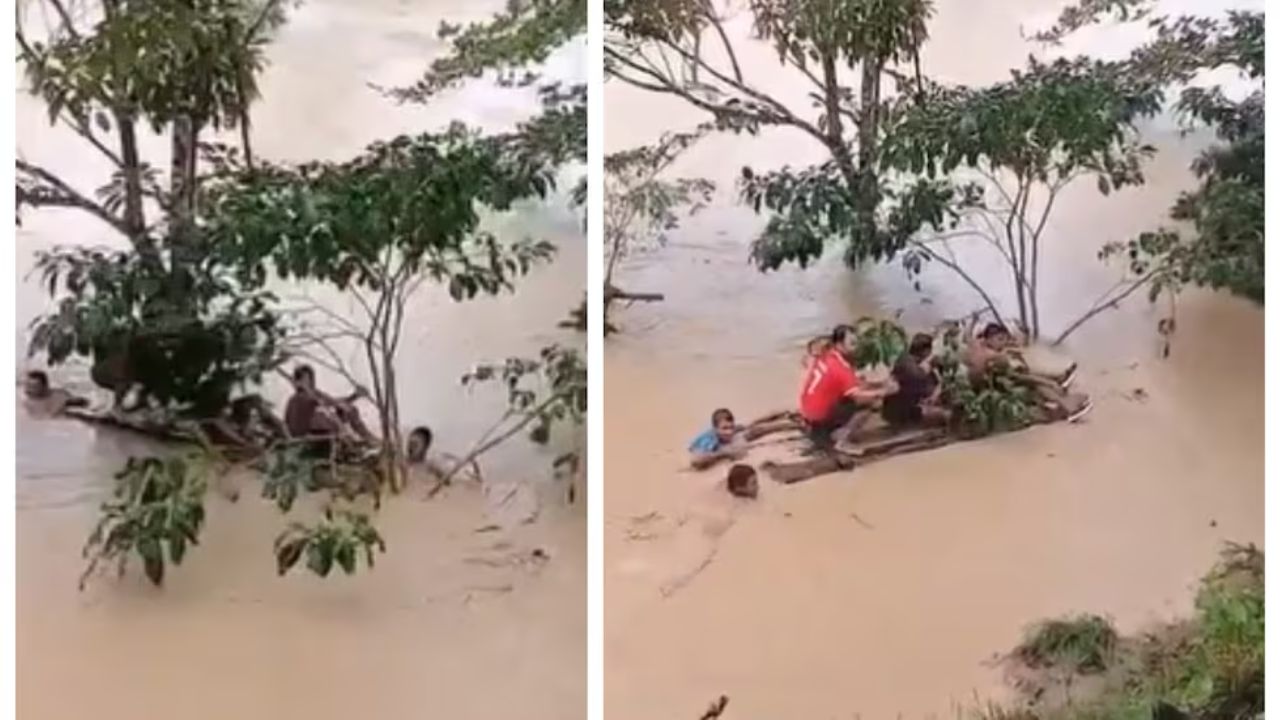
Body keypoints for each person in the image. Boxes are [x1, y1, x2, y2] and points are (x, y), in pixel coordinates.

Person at [964, 323, 1092, 422]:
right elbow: (1019, 377)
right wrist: (1046, 382)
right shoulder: (994, 356)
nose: (1003, 343)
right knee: (1033, 383)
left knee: (1020, 365)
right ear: (989, 339)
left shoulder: (976, 345)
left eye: (1004, 339)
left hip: (979, 386)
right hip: (989, 391)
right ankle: (1066, 405)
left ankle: (1059, 382)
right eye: (1000, 339)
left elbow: (969, 336)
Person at [799, 324, 899, 449]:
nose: (856, 348)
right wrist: (884, 392)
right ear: (840, 345)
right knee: (873, 403)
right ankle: (842, 438)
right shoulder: (841, 369)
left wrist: (878, 384)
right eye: (852, 344)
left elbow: (852, 383)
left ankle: (828, 427)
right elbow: (857, 395)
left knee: (856, 391)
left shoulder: (827, 355)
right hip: (819, 418)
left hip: (808, 411)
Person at [284, 364, 376, 455]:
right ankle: (360, 442)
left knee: (346, 411)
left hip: (312, 435)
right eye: (305, 380)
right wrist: (353, 397)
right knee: (324, 416)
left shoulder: (311, 394)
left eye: (309, 379)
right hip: (306, 438)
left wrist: (354, 396)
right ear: (298, 382)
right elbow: (331, 403)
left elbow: (334, 402)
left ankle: (367, 439)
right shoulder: (299, 398)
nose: (308, 383)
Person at [882, 333, 951, 428]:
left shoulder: (916, 361)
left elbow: (940, 380)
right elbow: (917, 377)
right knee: (946, 416)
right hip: (904, 410)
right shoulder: (906, 362)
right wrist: (929, 363)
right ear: (925, 350)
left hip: (917, 405)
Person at [405, 425, 479, 485]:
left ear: (425, 447)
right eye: (409, 443)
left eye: (415, 445)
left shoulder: (430, 465)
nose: (410, 448)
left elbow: (447, 482)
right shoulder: (401, 461)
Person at [22, 370, 88, 416]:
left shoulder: (59, 396)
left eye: (34, 387)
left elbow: (82, 404)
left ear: (45, 387)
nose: (28, 390)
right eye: (27, 386)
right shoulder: (25, 404)